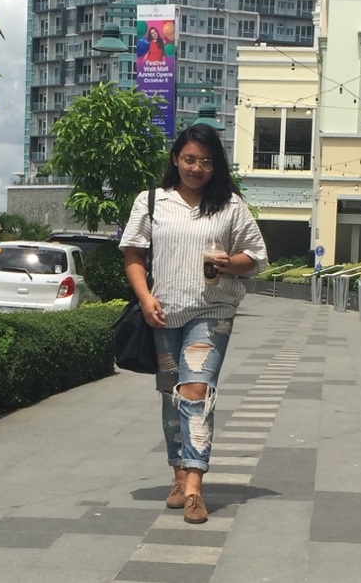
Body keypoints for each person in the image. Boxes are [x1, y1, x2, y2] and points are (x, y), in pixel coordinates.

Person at [119, 124, 268, 524]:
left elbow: (256, 257)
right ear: (176, 159)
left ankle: (195, 488)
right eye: (189, 159)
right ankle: (178, 475)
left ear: (216, 166)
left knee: (196, 391)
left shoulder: (230, 205)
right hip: (164, 312)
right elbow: (133, 256)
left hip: (212, 312)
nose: (197, 168)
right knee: (171, 394)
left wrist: (229, 263)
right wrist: (145, 298)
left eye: (206, 161)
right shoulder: (152, 201)